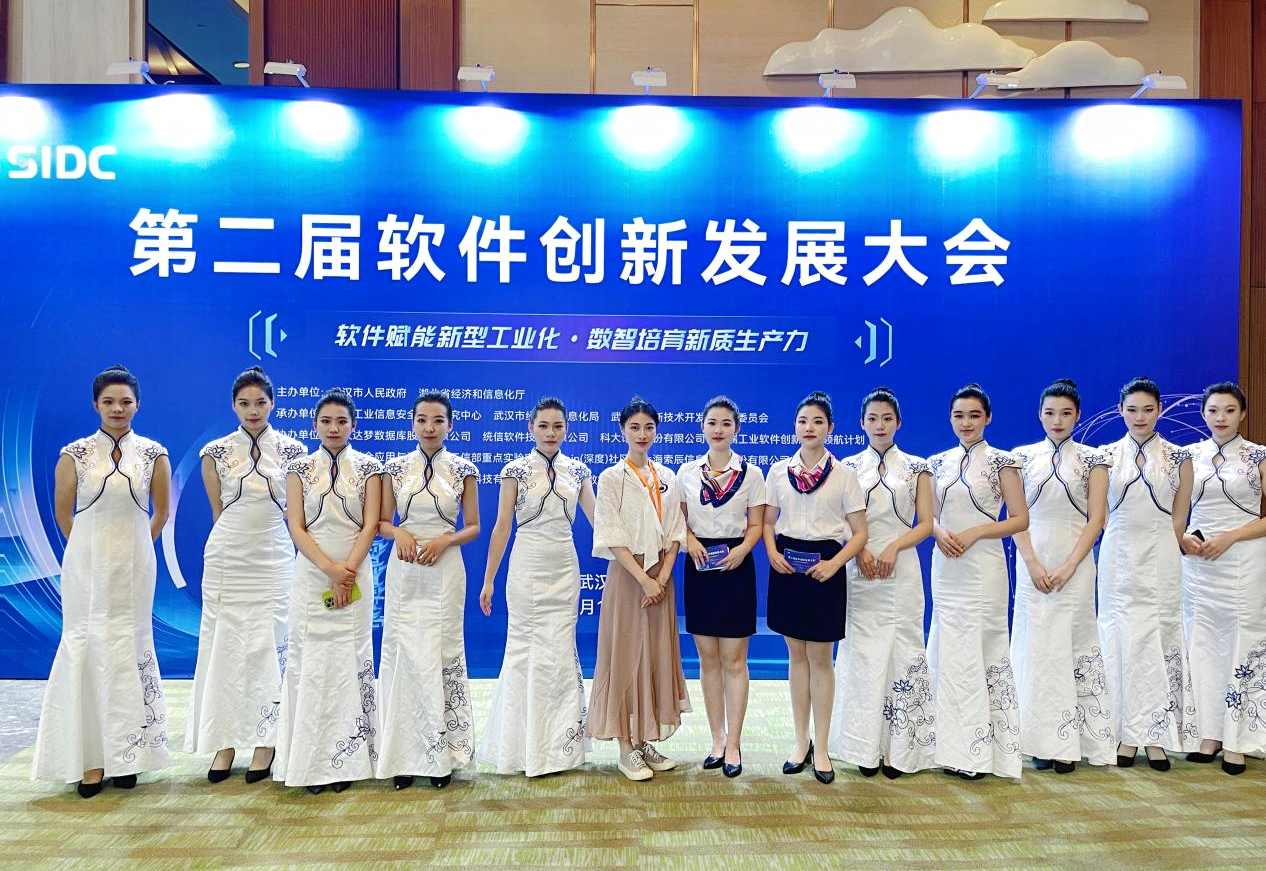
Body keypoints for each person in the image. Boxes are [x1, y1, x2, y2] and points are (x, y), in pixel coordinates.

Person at [31, 365, 172, 797]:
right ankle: (90, 759)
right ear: (95, 405)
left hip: (136, 568)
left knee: (130, 646)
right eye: (109, 401)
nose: (117, 409)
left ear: (138, 405)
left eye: (125, 402)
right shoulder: (73, 454)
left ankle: (129, 755)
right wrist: (89, 551)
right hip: (86, 567)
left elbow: (161, 512)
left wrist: (136, 549)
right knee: (87, 644)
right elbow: (63, 513)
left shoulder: (154, 454)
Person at [188, 366, 305, 785]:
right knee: (225, 644)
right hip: (228, 555)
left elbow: (296, 512)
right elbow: (217, 510)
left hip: (274, 554)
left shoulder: (294, 451)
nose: (253, 410)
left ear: (273, 403)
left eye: (260, 402)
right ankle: (223, 741)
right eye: (244, 403)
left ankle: (265, 741)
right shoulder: (214, 452)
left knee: (269, 643)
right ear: (233, 406)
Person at [273, 389, 383, 793]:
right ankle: (309, 760)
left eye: (341, 421)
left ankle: (348, 760)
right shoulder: (298, 469)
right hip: (312, 574)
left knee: (350, 659)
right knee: (309, 663)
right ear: (314, 425)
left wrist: (346, 572)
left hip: (355, 573)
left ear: (353, 425)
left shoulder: (370, 468)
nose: (334, 428)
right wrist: (330, 570)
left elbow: (371, 525)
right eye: (326, 421)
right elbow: (296, 527)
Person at [479, 397, 596, 777]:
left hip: (564, 566)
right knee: (523, 650)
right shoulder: (513, 471)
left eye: (557, 426)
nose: (550, 433)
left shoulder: (579, 471)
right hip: (526, 567)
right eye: (543, 426)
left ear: (567, 429)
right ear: (531, 428)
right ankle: (520, 749)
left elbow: (599, 522)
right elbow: (502, 527)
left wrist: (633, 557)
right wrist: (488, 579)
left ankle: (559, 751)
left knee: (560, 651)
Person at [829, 387, 934, 779]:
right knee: (863, 654)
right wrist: (858, 550)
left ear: (898, 423)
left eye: (887, 418)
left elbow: (926, 523)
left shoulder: (918, 468)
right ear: (861, 423)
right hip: (860, 571)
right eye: (872, 418)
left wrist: (892, 548)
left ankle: (899, 750)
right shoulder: (846, 467)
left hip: (901, 569)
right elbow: (839, 519)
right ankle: (863, 747)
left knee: (902, 651)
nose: (879, 425)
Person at [764, 391, 869, 785]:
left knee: (821, 659)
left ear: (830, 428)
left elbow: (860, 533)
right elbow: (767, 522)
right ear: (795, 427)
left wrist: (835, 564)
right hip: (788, 566)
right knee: (796, 657)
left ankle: (821, 748)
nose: (809, 428)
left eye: (817, 422)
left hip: (826, 566)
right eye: (803, 421)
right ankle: (800, 742)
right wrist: (772, 553)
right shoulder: (779, 472)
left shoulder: (844, 475)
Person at [377, 392, 480, 790]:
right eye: (422, 420)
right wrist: (399, 532)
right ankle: (401, 756)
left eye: (438, 420)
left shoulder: (464, 469)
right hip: (405, 570)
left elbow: (474, 525)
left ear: (450, 425)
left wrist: (445, 540)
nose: (429, 427)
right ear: (413, 424)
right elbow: (381, 522)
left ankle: (443, 756)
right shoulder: (394, 468)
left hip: (445, 570)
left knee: (442, 653)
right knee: (404, 655)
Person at [1011, 379, 1113, 773]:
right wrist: (1033, 563)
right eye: (1050, 413)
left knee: (1072, 646)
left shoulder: (1094, 459)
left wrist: (1070, 565)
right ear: (1039, 415)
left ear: (1078, 416)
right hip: (1032, 564)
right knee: (1037, 649)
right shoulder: (1019, 458)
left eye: (1066, 413)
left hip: (1077, 565)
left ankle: (1071, 742)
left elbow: (1097, 519)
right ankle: (1039, 741)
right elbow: (1015, 518)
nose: (1058, 420)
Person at [927, 383, 1029, 780]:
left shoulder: (1004, 462)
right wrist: (938, 532)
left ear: (987, 418)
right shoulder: (936, 463)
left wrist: (976, 532)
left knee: (980, 650)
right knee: (947, 646)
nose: (966, 422)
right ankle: (941, 746)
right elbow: (929, 515)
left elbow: (1019, 519)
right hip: (946, 564)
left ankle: (978, 753)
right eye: (959, 416)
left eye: (974, 415)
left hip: (983, 565)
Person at [587, 396, 692, 781]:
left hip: (661, 579)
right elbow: (611, 534)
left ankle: (645, 738)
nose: (642, 434)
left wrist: (661, 578)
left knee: (655, 656)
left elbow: (677, 531)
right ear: (622, 431)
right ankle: (625, 747)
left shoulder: (667, 476)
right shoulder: (611, 478)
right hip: (629, 578)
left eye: (649, 427)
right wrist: (644, 579)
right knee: (624, 655)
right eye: (635, 427)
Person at [1097, 376, 1196, 771]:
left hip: (1162, 556)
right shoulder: (1104, 456)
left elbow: (1180, 515)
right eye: (1132, 409)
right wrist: (1118, 538)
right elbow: (1098, 513)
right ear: (1120, 410)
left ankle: (1155, 737)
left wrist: (1166, 545)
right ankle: (1123, 734)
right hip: (1118, 556)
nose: (1140, 417)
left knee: (1158, 636)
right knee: (1120, 638)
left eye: (1148, 409)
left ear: (1160, 410)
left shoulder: (1179, 456)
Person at [675, 396, 766, 778]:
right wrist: (690, 541)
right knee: (708, 659)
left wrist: (742, 550)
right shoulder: (686, 472)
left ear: (736, 429)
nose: (718, 430)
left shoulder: (752, 474)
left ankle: (734, 744)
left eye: (726, 423)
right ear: (702, 427)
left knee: (734, 660)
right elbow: (678, 521)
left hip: (736, 567)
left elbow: (757, 525)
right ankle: (716, 739)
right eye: (712, 423)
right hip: (699, 567)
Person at [1181, 381, 1266, 776]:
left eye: (1229, 410)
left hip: (1242, 558)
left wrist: (1231, 537)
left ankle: (1237, 740)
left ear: (1242, 414)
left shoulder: (1258, 455)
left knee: (1241, 642)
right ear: (1203, 413)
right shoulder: (1188, 455)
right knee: (1200, 642)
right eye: (1213, 410)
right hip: (1198, 562)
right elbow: (1173, 511)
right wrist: (1183, 537)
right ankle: (1208, 734)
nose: (1221, 418)